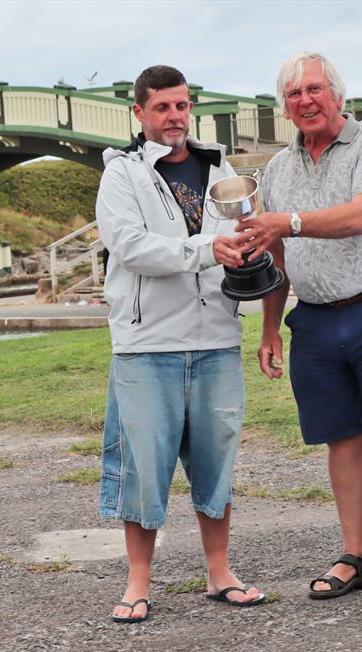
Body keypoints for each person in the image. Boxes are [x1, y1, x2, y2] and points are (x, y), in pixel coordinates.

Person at [236, 52, 362, 607]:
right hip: (316, 318)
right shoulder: (277, 169)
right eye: (294, 94)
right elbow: (274, 253)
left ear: (337, 96)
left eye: (315, 89)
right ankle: (356, 556)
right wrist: (270, 328)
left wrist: (288, 221)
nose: (305, 100)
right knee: (340, 439)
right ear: (285, 106)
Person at [96, 64, 265, 623]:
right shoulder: (120, 174)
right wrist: (206, 251)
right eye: (162, 107)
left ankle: (220, 572)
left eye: (182, 105)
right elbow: (130, 247)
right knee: (145, 467)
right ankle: (137, 583)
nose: (174, 117)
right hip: (147, 345)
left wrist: (246, 250)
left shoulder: (220, 167)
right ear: (139, 112)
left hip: (216, 337)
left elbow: (243, 230)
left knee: (217, 460)